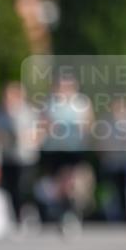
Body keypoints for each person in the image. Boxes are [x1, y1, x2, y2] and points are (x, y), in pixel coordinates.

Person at [37, 73, 95, 234]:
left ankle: (71, 214)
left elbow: (89, 124)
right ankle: (64, 213)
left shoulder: (81, 102)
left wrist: (81, 128)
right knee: (59, 185)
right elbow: (42, 124)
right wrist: (49, 128)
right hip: (54, 149)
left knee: (71, 181)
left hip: (74, 149)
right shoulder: (49, 103)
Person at [0, 81, 40, 225]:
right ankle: (13, 216)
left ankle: (28, 213)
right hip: (6, 156)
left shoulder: (28, 113)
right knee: (8, 188)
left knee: (24, 187)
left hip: (25, 157)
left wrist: (25, 137)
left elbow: (37, 133)